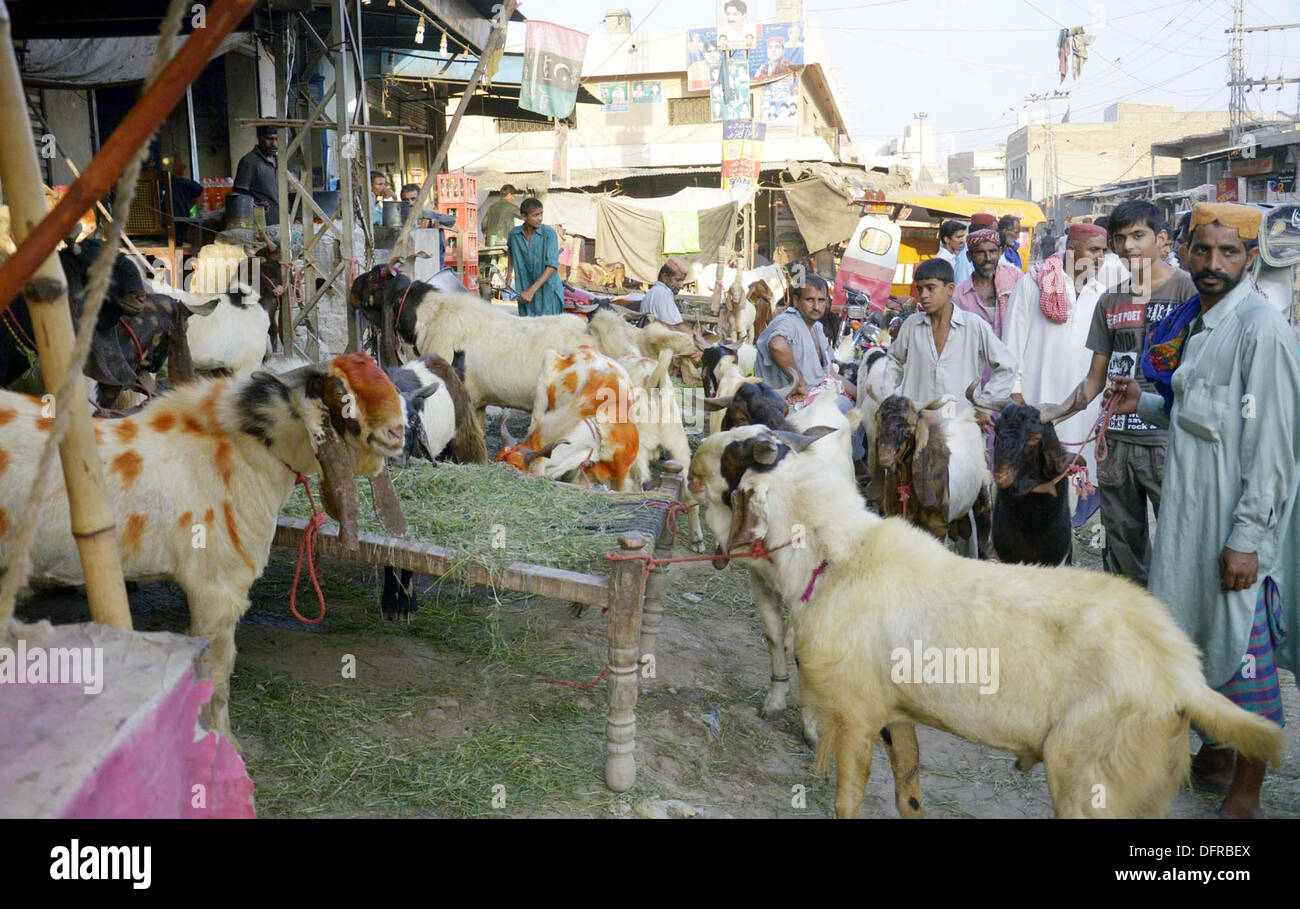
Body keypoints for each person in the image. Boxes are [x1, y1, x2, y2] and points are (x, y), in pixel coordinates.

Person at [1107, 202, 1298, 818]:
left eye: (1229, 252)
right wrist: (1145, 398)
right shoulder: (1198, 320)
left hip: (1235, 532)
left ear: (1249, 258)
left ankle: (1246, 797)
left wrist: (1246, 538)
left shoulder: (1260, 330)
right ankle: (1212, 758)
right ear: (1185, 251)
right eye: (1203, 251)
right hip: (1188, 526)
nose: (1213, 264)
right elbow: (1195, 414)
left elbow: (1272, 448)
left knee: (1244, 657)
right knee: (1190, 645)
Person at [1048, 200, 1196, 585]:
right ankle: (1133, 630)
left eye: (1138, 236)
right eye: (1120, 238)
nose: (1129, 246)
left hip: (1168, 440)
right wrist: (1053, 413)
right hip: (1114, 444)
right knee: (1122, 550)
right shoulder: (1109, 301)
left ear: (1162, 239)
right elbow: (1093, 381)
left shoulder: (1190, 293)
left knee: (1182, 545)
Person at [1003, 222, 1112, 524]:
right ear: (1072, 250)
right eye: (1094, 250)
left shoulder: (1102, 295)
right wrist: (1015, 393)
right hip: (1036, 404)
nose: (1101, 257)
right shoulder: (1033, 284)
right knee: (1034, 486)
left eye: (1104, 251)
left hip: (1082, 408)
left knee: (1075, 481)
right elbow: (1012, 342)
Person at [884, 257, 1016, 415]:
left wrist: (984, 406)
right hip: (918, 425)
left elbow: (1007, 366)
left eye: (930, 288)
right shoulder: (912, 325)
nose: (924, 295)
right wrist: (889, 399)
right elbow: (893, 360)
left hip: (962, 426)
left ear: (950, 289)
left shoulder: (974, 325)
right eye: (920, 289)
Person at [755, 274, 854, 404]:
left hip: (815, 400)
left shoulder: (817, 328)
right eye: (810, 300)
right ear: (796, 301)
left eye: (821, 300)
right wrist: (799, 383)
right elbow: (777, 346)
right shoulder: (787, 321)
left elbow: (830, 374)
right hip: (786, 406)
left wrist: (861, 396)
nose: (816, 307)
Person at [952, 228, 1022, 339]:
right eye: (980, 252)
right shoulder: (958, 296)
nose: (988, 258)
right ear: (969, 256)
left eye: (992, 251)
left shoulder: (1015, 281)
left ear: (1000, 253)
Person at [506, 197, 564, 317]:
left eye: (541, 214)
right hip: (524, 288)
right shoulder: (514, 234)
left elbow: (552, 266)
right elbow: (510, 252)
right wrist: (508, 275)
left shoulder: (549, 234)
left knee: (549, 330)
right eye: (535, 215)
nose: (540, 218)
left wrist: (531, 291)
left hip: (547, 291)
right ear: (524, 216)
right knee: (528, 329)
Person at [400, 183, 458, 269]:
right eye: (406, 200)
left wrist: (433, 219)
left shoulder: (425, 213)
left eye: (413, 199)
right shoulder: (398, 215)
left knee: (438, 231)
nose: (410, 203)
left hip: (428, 257)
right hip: (407, 259)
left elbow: (451, 220)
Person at [232, 125, 279, 222]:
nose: (274, 144)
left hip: (282, 220)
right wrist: (256, 204)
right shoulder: (249, 162)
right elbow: (239, 196)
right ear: (259, 138)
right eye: (269, 139)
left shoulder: (280, 161)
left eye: (277, 139)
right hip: (262, 221)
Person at [639, 258, 692, 334]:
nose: (681, 285)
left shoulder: (655, 291)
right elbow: (677, 330)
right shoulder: (662, 293)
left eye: (682, 281)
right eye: (678, 280)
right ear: (665, 277)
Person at [935, 219, 971, 285]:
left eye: (963, 236)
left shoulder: (956, 255)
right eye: (958, 237)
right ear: (947, 239)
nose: (962, 241)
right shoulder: (942, 260)